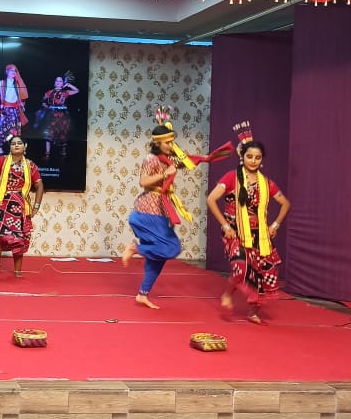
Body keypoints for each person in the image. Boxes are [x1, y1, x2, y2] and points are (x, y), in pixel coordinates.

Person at [205, 139, 291, 325]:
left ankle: (253, 311)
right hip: (234, 232)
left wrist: (274, 225)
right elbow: (211, 199)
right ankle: (227, 294)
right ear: (242, 157)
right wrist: (225, 226)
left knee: (261, 270)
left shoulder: (267, 183)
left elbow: (285, 204)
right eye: (249, 156)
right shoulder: (231, 178)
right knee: (241, 267)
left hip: (259, 235)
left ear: (262, 160)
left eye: (257, 158)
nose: (253, 160)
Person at [121, 124, 195, 309]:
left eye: (172, 142)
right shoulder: (151, 158)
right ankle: (135, 249)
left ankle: (142, 294)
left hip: (160, 211)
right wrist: (164, 173)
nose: (171, 145)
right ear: (157, 143)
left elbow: (186, 163)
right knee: (171, 247)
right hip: (147, 211)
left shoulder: (167, 159)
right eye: (167, 142)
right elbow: (143, 181)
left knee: (158, 257)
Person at [0, 135, 44, 278]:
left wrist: (36, 207)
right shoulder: (1, 161)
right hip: (1, 203)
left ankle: (18, 271)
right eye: (13, 143)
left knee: (19, 238)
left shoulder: (30, 165)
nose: (16, 145)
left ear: (25, 146)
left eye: (19, 143)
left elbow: (39, 186)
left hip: (20, 206)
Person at [38, 73, 79, 162]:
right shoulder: (49, 92)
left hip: (63, 115)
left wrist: (68, 85)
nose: (58, 82)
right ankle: (47, 155)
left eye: (60, 81)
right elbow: (43, 101)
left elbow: (77, 90)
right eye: (57, 80)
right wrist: (47, 107)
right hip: (52, 115)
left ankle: (63, 155)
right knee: (48, 134)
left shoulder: (65, 92)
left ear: (62, 83)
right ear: (54, 82)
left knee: (63, 134)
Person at [0, 64, 29, 153]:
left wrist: (22, 103)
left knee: (14, 131)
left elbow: (22, 98)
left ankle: (11, 148)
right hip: (4, 109)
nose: (13, 72)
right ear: (6, 72)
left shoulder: (18, 84)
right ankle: (0, 147)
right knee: (1, 129)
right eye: (11, 70)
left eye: (15, 71)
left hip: (15, 110)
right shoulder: (1, 83)